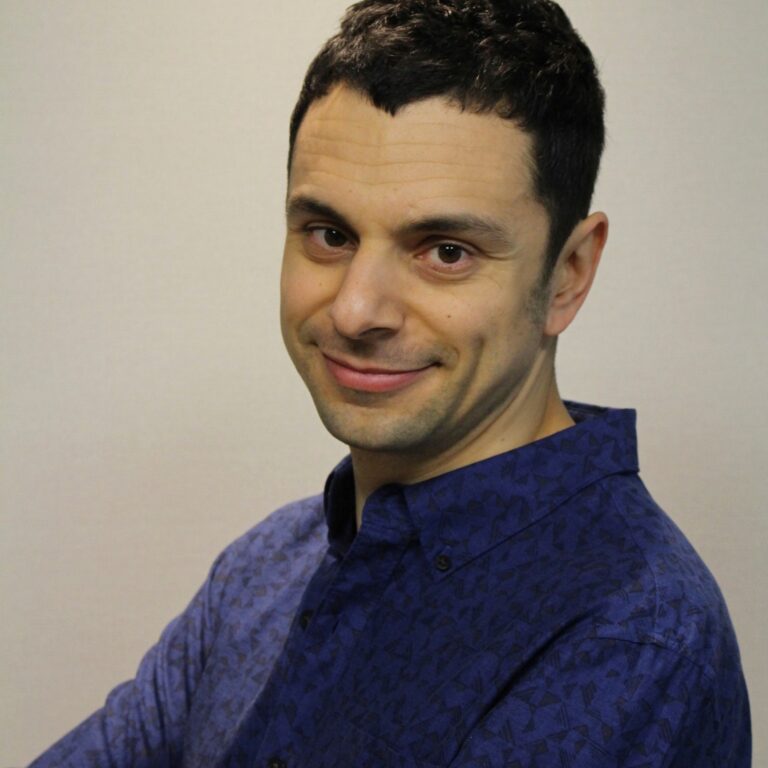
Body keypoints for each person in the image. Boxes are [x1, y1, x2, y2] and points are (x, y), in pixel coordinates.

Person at [29, 0, 750, 766]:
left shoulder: (632, 638)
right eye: (329, 235)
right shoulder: (264, 569)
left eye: (446, 251)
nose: (355, 310)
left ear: (568, 274)